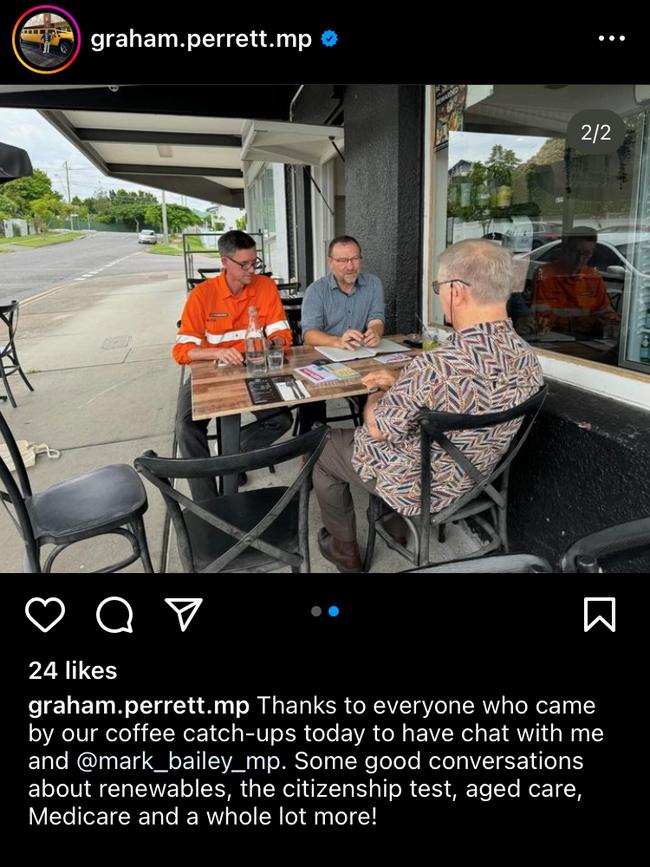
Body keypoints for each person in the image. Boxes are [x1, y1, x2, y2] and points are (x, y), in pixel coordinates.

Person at [312, 239, 544, 573]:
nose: (440, 296)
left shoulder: (436, 366)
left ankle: (343, 550)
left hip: (422, 485)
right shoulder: (527, 358)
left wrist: (377, 391)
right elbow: (465, 391)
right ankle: (394, 526)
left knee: (322, 448)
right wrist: (404, 384)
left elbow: (378, 427)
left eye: (438, 287)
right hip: (478, 477)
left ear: (456, 291)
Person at [173, 230, 293, 503]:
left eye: (255, 262)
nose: (252, 269)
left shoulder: (265, 287)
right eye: (244, 264)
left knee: (281, 419)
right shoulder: (202, 295)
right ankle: (209, 505)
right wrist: (218, 352)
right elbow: (181, 351)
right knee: (186, 429)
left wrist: (270, 343)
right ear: (224, 262)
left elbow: (283, 336)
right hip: (210, 373)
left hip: (254, 369)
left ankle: (228, 459)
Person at [298, 235, 385, 433]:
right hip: (323, 357)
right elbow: (309, 334)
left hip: (360, 355)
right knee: (312, 394)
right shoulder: (316, 291)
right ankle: (313, 445)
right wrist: (337, 341)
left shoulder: (373, 284)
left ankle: (372, 439)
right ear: (330, 262)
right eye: (342, 260)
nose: (350, 266)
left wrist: (375, 331)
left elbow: (377, 318)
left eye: (355, 259)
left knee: (381, 384)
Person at [531, 227, 620, 337]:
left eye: (586, 253)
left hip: (587, 339)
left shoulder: (593, 277)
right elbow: (540, 317)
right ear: (565, 250)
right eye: (576, 252)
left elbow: (606, 311)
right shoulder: (545, 274)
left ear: (592, 253)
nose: (580, 258)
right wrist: (580, 322)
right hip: (554, 337)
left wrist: (611, 321)